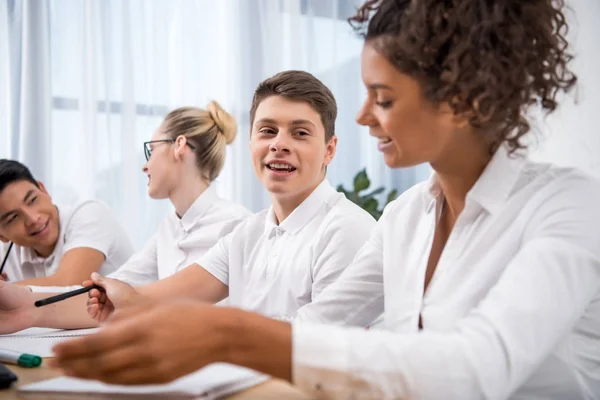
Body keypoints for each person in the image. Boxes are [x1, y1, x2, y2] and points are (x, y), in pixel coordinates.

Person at [52, 0, 599, 398]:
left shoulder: (567, 208)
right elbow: (319, 324)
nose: (363, 117)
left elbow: (478, 369)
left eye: (382, 98)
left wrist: (227, 333)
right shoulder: (405, 217)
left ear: (463, 100)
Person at [0, 70, 376, 333]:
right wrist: (25, 309)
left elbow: (315, 346)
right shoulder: (248, 235)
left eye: (300, 132)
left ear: (329, 150)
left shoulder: (347, 229)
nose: (279, 143)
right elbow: (141, 297)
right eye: (267, 130)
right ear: (250, 144)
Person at [108, 102, 251, 286]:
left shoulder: (237, 225)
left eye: (151, 150)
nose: (145, 166)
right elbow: (115, 285)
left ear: (179, 145)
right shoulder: (167, 230)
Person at [0, 160, 133, 287]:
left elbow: (67, 286)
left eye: (33, 200)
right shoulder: (6, 253)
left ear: (43, 190)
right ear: (2, 235)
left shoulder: (89, 214)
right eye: (13, 218)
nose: (33, 219)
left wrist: (6, 289)